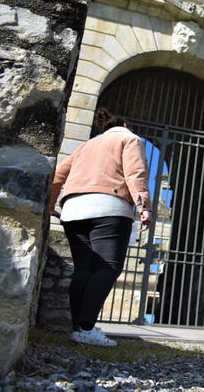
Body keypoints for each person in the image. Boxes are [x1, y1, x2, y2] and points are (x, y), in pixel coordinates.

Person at [49, 108, 153, 347]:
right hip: (109, 206)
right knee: (108, 267)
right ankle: (85, 327)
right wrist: (144, 205)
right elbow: (135, 172)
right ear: (124, 123)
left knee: (83, 269)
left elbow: (57, 175)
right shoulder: (129, 138)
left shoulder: (85, 146)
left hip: (73, 210)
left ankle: (78, 326)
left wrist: (50, 204)